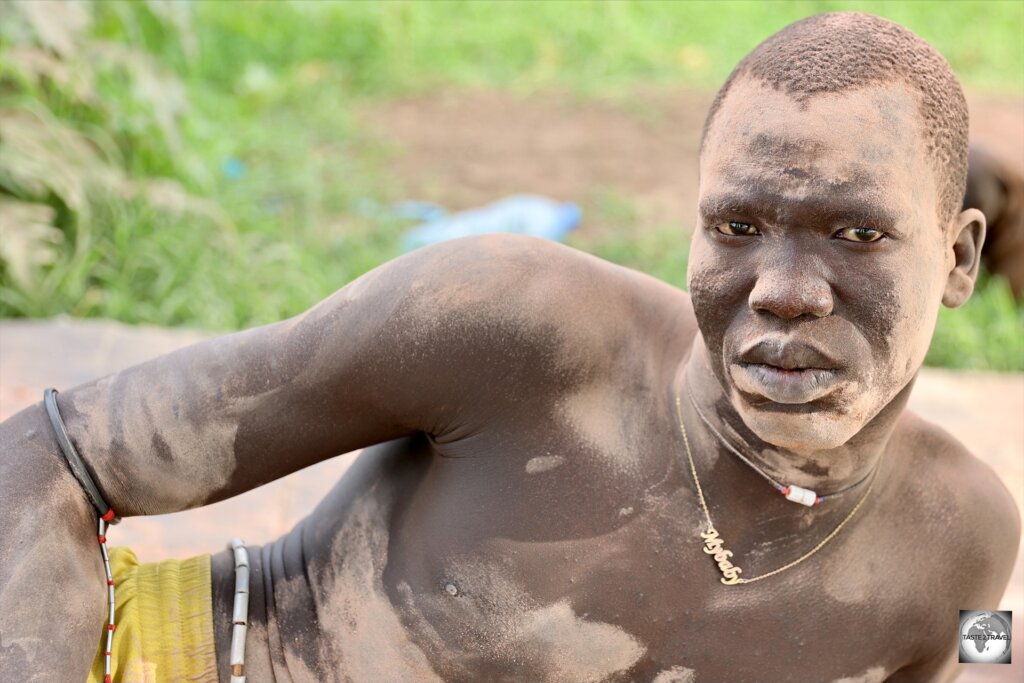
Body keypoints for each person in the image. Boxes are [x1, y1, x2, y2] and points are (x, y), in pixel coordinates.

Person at [1, 11, 1019, 683]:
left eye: (856, 235)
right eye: (737, 227)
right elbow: (51, 457)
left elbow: (986, 658)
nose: (783, 290)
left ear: (960, 258)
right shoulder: (516, 322)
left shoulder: (965, 534)